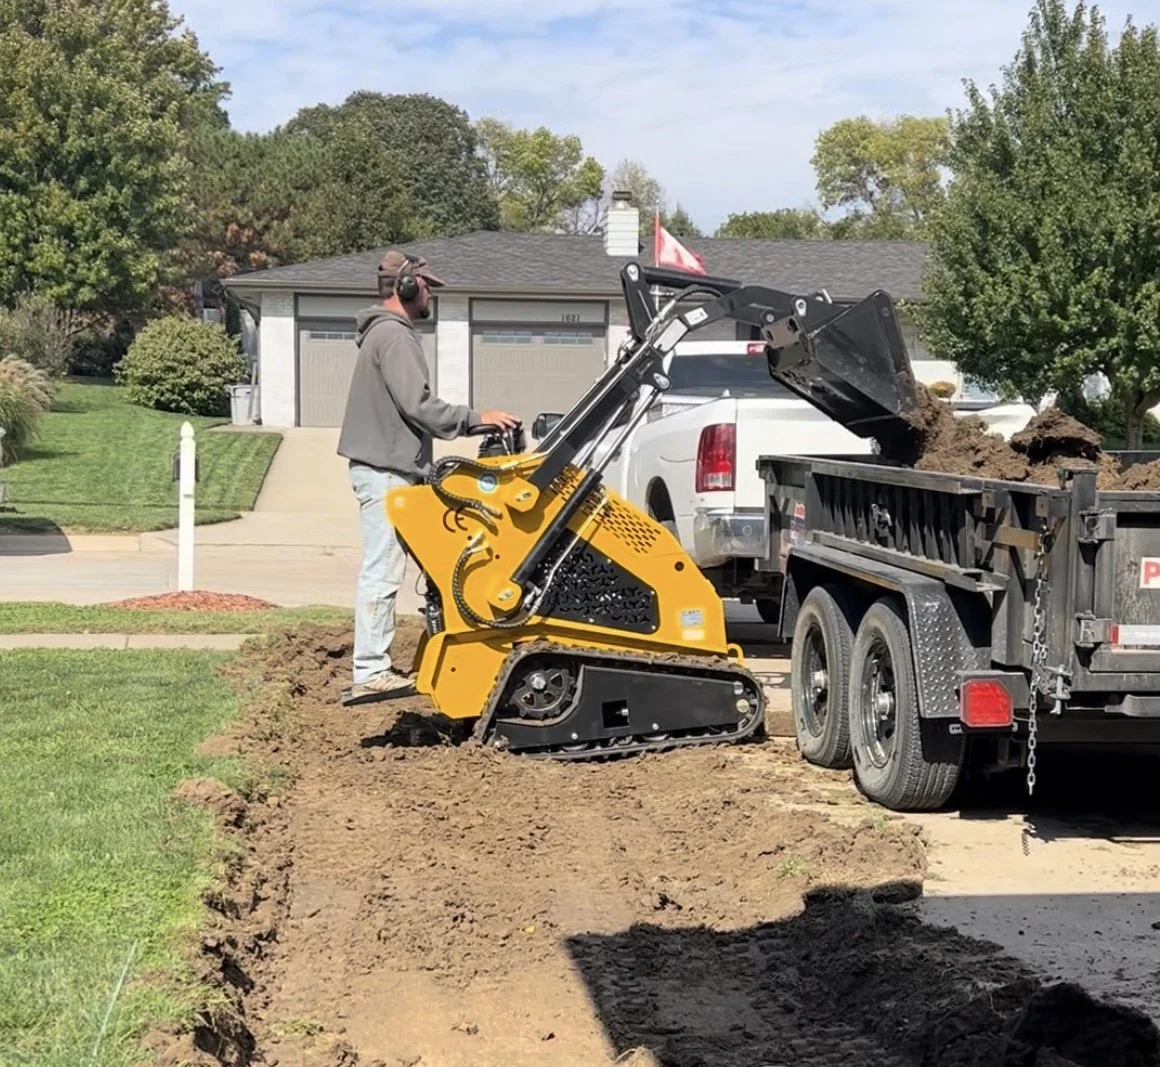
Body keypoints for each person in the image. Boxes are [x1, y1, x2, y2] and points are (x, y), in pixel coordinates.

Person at [337, 249, 518, 703]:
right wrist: (479, 417)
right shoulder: (396, 338)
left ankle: (442, 651)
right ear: (407, 286)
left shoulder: (383, 335)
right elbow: (419, 407)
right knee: (383, 569)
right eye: (427, 286)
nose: (431, 294)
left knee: (438, 565)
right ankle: (371, 669)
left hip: (391, 468)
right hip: (386, 473)